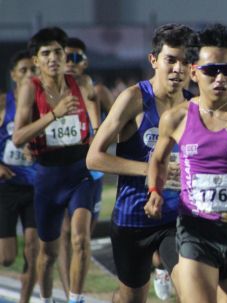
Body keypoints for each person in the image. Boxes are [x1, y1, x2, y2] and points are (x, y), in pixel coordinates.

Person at [144, 24, 227, 303]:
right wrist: (155, 192)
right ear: (194, 72)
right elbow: (157, 159)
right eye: (210, 71)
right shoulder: (176, 118)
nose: (220, 78)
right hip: (196, 229)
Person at [86, 23, 193, 303]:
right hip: (132, 217)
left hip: (177, 218)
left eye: (185, 62)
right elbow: (94, 157)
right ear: (154, 60)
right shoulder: (134, 99)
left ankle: (163, 265)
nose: (178, 69)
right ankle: (154, 270)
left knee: (193, 292)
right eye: (171, 60)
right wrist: (151, 171)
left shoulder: (195, 105)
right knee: (131, 298)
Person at [13, 26, 99, 303]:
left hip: (79, 172)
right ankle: (48, 299)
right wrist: (53, 115)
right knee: (48, 254)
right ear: (37, 60)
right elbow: (17, 137)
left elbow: (95, 124)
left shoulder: (82, 84)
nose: (53, 58)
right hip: (48, 176)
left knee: (80, 240)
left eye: (58, 52)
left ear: (65, 56)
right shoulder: (31, 88)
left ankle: (76, 298)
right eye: (46, 53)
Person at [57, 36, 115, 299]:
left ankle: (74, 292)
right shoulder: (47, 93)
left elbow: (124, 125)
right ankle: (73, 295)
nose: (70, 62)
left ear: (85, 62)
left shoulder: (98, 91)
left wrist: (101, 135)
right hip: (57, 174)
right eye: (65, 57)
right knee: (66, 235)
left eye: (76, 57)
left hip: (89, 174)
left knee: (81, 239)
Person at [0, 50, 38, 303]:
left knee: (34, 251)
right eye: (22, 70)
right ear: (13, 74)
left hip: (36, 187)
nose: (28, 75)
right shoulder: (4, 103)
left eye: (32, 70)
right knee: (6, 258)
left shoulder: (43, 104)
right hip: (8, 186)